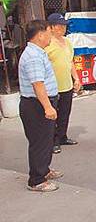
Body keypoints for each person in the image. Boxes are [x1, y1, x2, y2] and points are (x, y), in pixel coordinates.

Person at [18, 20, 62, 192]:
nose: (51, 36)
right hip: (37, 105)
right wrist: (47, 107)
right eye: (50, 32)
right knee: (40, 142)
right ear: (41, 34)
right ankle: (36, 180)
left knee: (46, 139)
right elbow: (38, 85)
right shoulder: (33, 56)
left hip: (41, 103)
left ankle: (44, 170)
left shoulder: (39, 52)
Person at [45, 13, 81, 154]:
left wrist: (76, 79)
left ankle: (62, 136)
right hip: (52, 86)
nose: (63, 28)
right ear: (51, 27)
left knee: (65, 112)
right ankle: (53, 141)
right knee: (53, 114)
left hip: (67, 84)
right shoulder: (47, 43)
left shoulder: (67, 42)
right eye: (60, 26)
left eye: (64, 26)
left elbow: (70, 61)